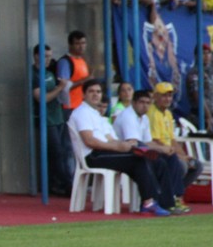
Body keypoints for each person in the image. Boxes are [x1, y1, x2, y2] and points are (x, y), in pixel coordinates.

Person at [68, 80, 174, 216]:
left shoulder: (97, 115)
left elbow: (110, 138)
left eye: (98, 92)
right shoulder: (82, 113)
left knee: (154, 159)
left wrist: (122, 145)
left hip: (104, 151)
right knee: (139, 159)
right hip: (93, 155)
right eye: (91, 91)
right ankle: (149, 202)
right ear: (84, 94)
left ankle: (165, 202)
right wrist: (117, 147)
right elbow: (90, 141)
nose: (95, 95)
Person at [113, 88, 188, 214]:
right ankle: (159, 202)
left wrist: (165, 149)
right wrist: (160, 148)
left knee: (171, 158)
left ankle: (174, 199)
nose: (145, 106)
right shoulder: (128, 116)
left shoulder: (144, 118)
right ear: (134, 103)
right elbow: (134, 142)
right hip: (126, 153)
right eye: (142, 102)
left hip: (140, 151)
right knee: (159, 162)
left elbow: (147, 142)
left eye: (148, 103)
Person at [147, 81, 203, 203]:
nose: (168, 99)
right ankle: (171, 197)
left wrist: (183, 155)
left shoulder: (167, 113)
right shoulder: (152, 114)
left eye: (170, 95)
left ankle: (174, 194)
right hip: (158, 153)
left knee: (196, 165)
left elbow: (172, 139)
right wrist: (178, 156)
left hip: (170, 152)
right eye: (164, 95)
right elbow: (155, 140)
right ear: (155, 96)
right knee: (181, 166)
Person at [56, 30, 91, 118]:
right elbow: (64, 87)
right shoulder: (65, 62)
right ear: (70, 45)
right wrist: (85, 80)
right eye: (77, 43)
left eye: (83, 43)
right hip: (69, 107)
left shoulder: (82, 60)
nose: (81, 46)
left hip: (81, 106)